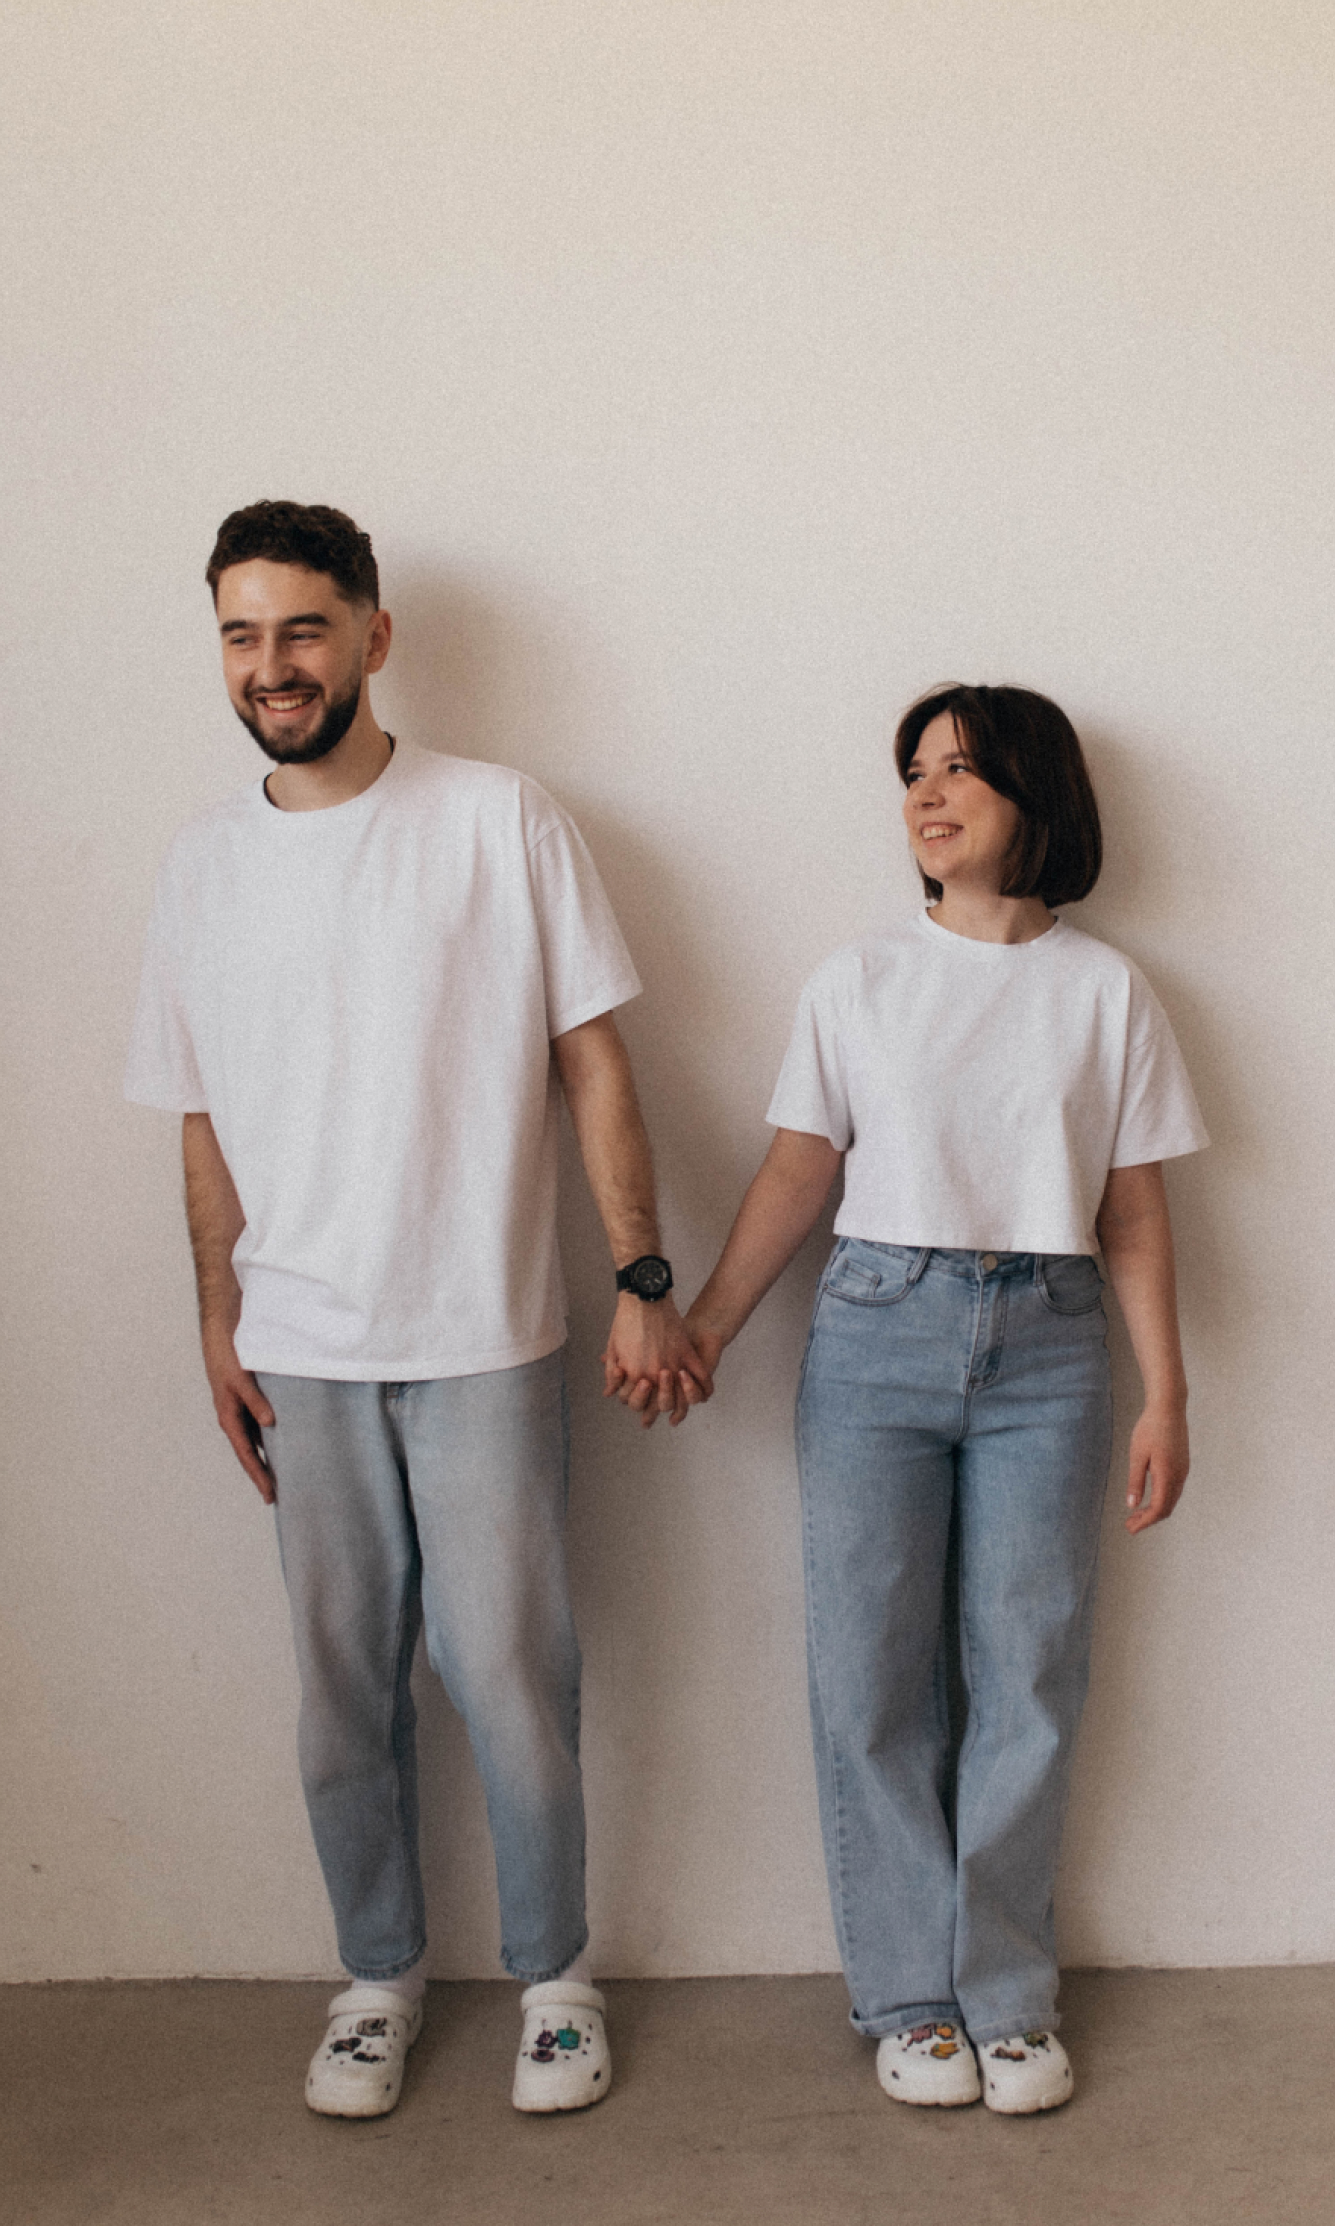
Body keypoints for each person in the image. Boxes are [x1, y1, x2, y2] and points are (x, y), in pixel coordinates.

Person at [125, 500, 710, 2119]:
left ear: (372, 637)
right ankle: (377, 1977)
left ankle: (556, 1979)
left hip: (482, 1334)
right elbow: (201, 1118)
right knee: (338, 1691)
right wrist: (215, 1318)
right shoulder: (201, 865)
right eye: (241, 635)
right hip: (297, 1347)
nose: (271, 664)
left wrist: (643, 1274)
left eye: (302, 629)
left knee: (510, 1672)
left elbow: (594, 1062)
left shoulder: (498, 819)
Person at [677, 684, 1207, 2115]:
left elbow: (1134, 1210)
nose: (928, 792)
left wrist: (1166, 1396)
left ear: (1039, 794)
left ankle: (1009, 1994)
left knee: (1030, 1672)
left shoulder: (1106, 992)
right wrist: (709, 1325)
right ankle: (910, 1996)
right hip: (876, 1335)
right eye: (916, 770)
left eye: (963, 769)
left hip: (1052, 1340)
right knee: (874, 1675)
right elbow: (800, 1167)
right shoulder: (857, 979)